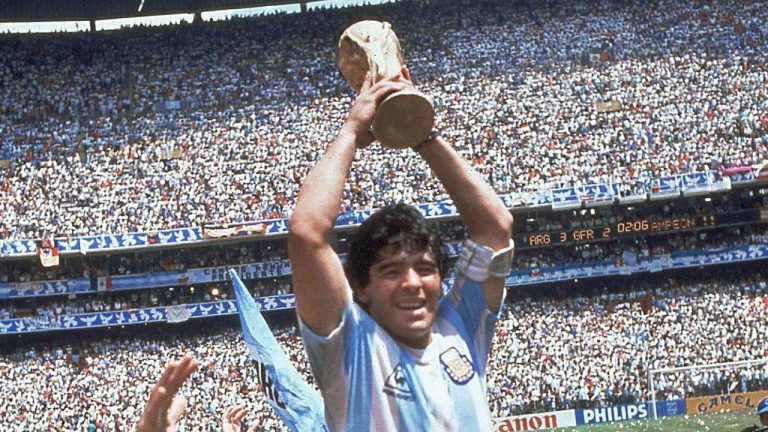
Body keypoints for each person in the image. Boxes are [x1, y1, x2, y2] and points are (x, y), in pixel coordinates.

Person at [287, 67, 514, 431]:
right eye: (391, 271)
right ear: (362, 288)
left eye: (425, 268)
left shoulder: (461, 325)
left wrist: (420, 132)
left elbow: (495, 227)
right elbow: (307, 232)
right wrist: (350, 131)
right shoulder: (350, 344)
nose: (412, 282)